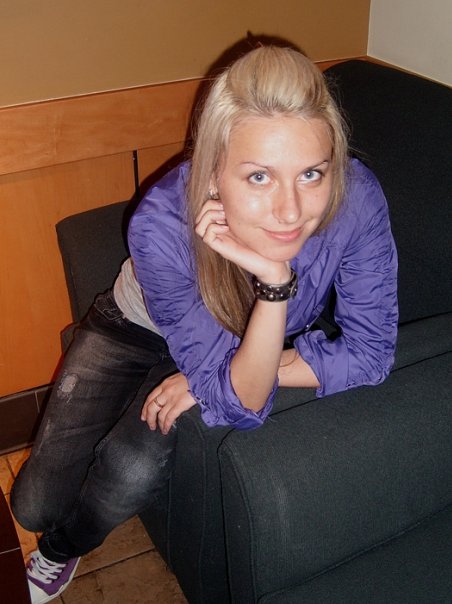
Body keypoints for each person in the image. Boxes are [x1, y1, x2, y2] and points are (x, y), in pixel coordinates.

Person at [11, 45, 398, 603]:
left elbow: (368, 354)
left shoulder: (357, 198)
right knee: (32, 505)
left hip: (246, 340)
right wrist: (223, 373)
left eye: (311, 173)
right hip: (135, 325)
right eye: (259, 176)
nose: (290, 211)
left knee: (130, 469)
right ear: (213, 171)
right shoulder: (161, 223)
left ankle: (59, 549)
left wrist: (272, 289)